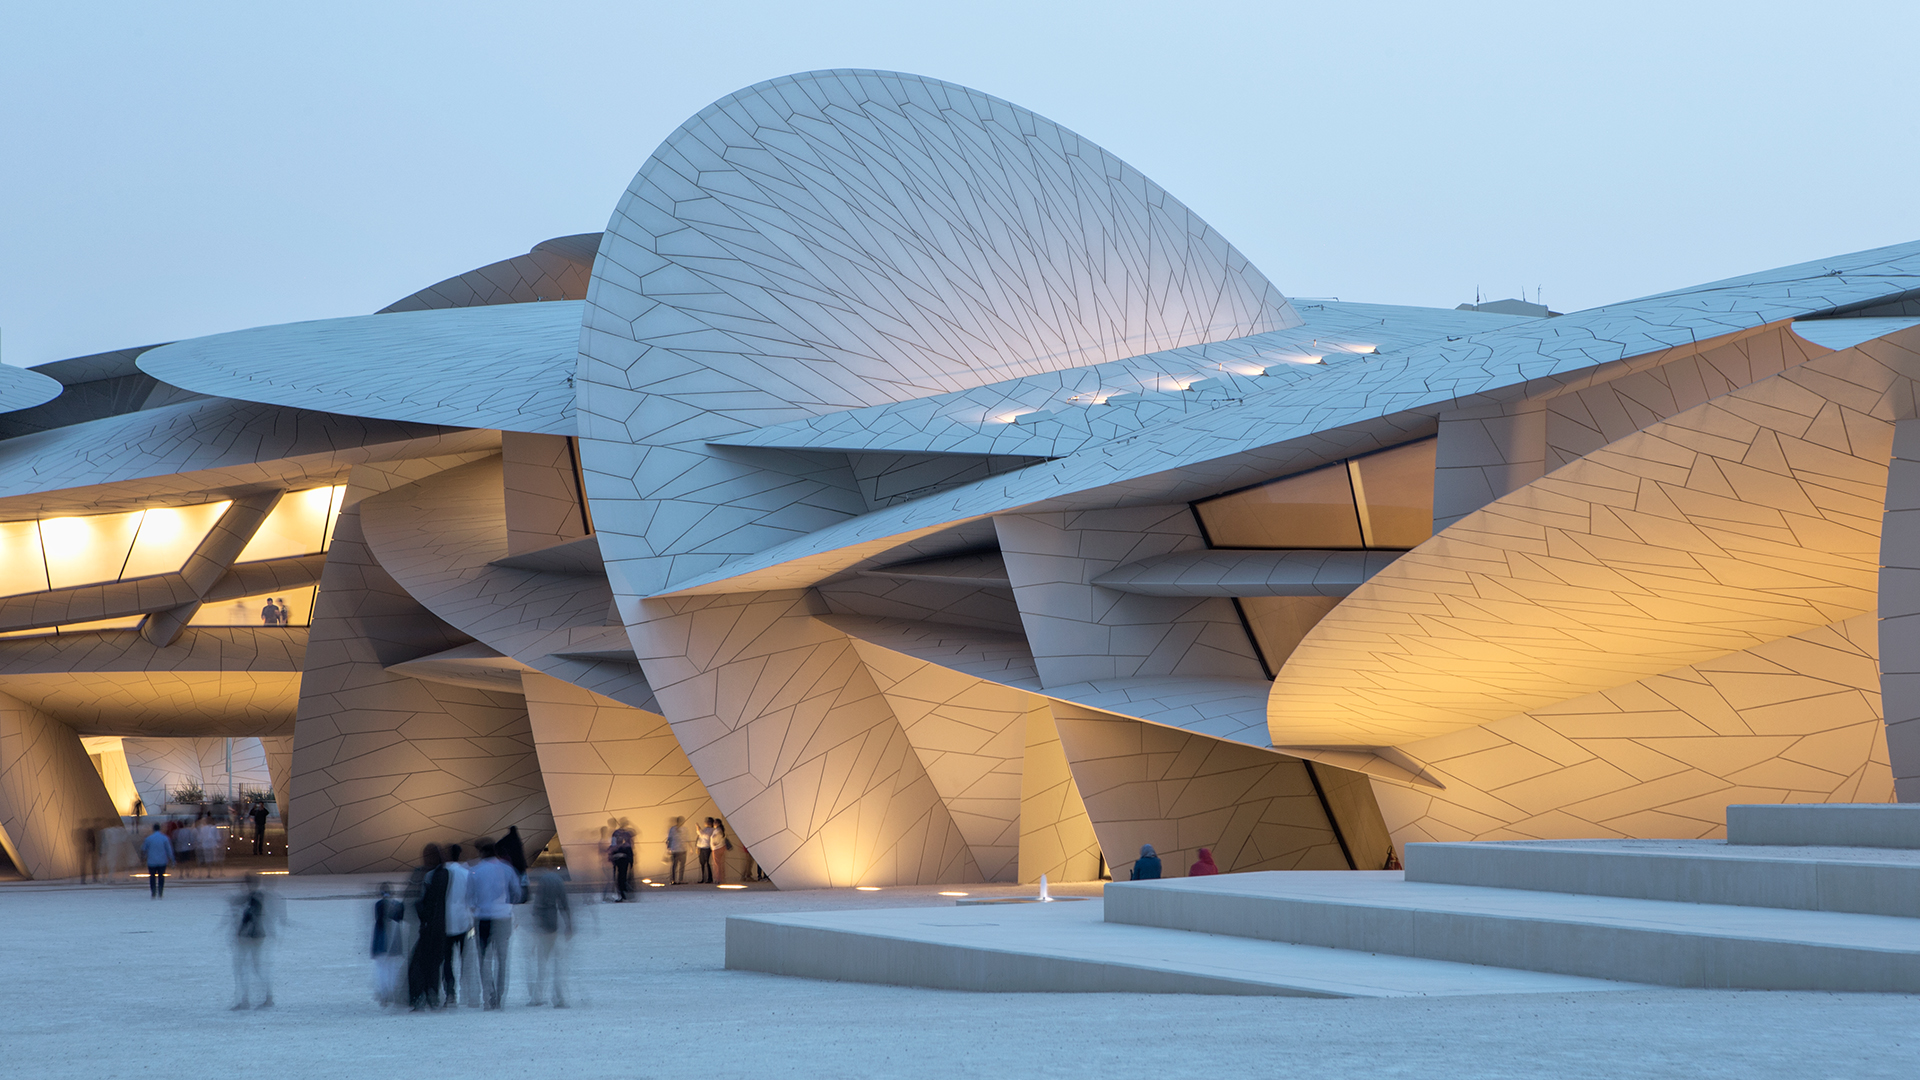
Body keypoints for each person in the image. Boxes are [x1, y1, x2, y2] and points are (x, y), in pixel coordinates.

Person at [467, 839, 521, 1009]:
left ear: (481, 853)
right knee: (502, 959)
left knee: (484, 959)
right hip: (503, 917)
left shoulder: (475, 871)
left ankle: (488, 995)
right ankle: (499, 996)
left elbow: (469, 898)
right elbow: (517, 893)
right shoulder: (507, 868)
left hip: (483, 918)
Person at [406, 845, 449, 1010]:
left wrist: (419, 908)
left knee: (419, 963)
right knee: (433, 964)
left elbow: (427, 902)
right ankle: (432, 995)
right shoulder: (444, 873)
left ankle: (420, 997)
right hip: (441, 926)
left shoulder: (430, 875)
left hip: (429, 926)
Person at [230, 872, 279, 1009]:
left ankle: (248, 1000)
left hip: (249, 936)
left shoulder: (252, 899)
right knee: (253, 967)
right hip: (256, 936)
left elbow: (250, 918)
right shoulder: (255, 897)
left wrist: (241, 933)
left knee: (243, 968)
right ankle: (264, 997)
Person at [525, 869, 572, 1007]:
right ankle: (559, 997)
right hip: (554, 924)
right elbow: (564, 904)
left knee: (542, 963)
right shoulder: (558, 883)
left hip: (543, 927)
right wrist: (569, 924)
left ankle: (537, 997)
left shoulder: (542, 888)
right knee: (558, 963)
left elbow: (536, 908)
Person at [442, 843, 474, 1006]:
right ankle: (468, 992)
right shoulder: (466, 873)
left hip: (445, 923)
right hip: (464, 921)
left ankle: (450, 993)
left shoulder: (442, 873)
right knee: (465, 959)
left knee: (447, 960)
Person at [371, 882, 406, 1006]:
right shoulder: (397, 905)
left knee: (382, 969)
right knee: (392, 969)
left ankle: (384, 993)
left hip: (381, 939)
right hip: (395, 941)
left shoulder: (378, 905)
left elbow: (378, 919)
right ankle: (392, 992)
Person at [141, 824, 172, 897]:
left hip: (151, 861)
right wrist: (172, 859)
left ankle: (153, 891)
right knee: (161, 877)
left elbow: (143, 849)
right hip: (162, 861)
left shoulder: (149, 838)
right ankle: (160, 891)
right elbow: (169, 850)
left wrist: (143, 858)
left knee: (152, 877)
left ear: (153, 829)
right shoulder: (164, 838)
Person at [608, 819, 635, 902]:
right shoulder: (626, 834)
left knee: (620, 877)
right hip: (623, 858)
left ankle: (622, 894)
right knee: (622, 877)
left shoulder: (617, 833)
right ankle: (623, 894)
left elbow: (613, 846)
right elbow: (630, 846)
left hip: (620, 858)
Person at [497, 826, 528, 892]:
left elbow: (498, 845)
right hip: (519, 864)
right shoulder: (516, 840)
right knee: (521, 880)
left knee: (514, 880)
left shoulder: (508, 839)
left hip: (513, 863)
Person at [666, 817, 688, 885]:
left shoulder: (673, 829)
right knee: (677, 865)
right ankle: (676, 879)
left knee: (676, 865)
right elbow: (669, 839)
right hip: (678, 849)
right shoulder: (682, 829)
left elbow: (669, 839)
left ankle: (676, 879)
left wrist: (668, 848)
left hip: (678, 849)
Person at [696, 817, 716, 884]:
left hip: (707, 848)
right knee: (702, 863)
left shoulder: (712, 830)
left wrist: (699, 830)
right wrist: (697, 847)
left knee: (707, 863)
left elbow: (705, 836)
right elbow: (700, 837)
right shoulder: (705, 829)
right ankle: (703, 878)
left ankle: (709, 878)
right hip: (701, 847)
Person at [712, 820, 731, 885]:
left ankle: (718, 879)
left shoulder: (716, 831)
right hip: (722, 847)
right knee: (721, 864)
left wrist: (714, 843)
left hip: (717, 848)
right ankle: (722, 878)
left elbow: (714, 839)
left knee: (717, 865)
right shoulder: (722, 830)